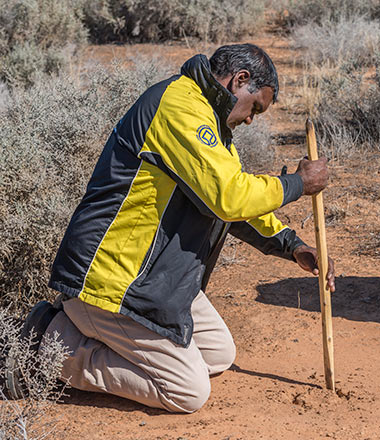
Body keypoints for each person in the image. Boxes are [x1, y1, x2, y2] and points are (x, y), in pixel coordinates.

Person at [6, 43, 335, 413]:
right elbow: (228, 197)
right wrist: (297, 185)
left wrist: (290, 244)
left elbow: (231, 199)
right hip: (112, 280)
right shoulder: (180, 107)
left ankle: (97, 337)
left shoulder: (210, 120)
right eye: (255, 107)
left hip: (158, 280)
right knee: (187, 391)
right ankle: (47, 345)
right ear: (239, 80)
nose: (250, 120)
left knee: (218, 353)